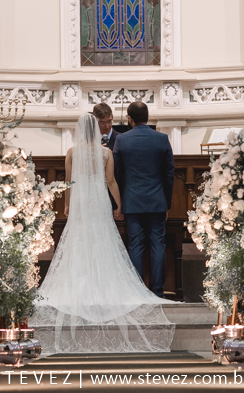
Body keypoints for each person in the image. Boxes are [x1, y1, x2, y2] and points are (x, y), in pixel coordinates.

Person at [30, 114, 174, 354]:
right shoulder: (106, 153)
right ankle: (106, 284)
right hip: (98, 200)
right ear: (97, 130)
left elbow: (69, 181)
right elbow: (111, 182)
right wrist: (118, 205)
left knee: (78, 240)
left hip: (79, 201)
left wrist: (66, 205)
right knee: (103, 240)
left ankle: (80, 283)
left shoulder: (72, 152)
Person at [112, 101, 174, 298]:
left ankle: (137, 292)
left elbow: (117, 174)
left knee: (135, 245)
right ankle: (158, 291)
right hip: (156, 200)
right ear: (147, 116)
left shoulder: (122, 140)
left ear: (129, 119)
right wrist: (168, 202)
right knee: (158, 244)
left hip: (132, 200)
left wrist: (119, 201)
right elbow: (169, 174)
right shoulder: (162, 139)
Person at [93, 102, 124, 217]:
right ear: (95, 122)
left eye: (109, 121)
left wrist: (118, 204)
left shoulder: (121, 139)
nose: (106, 126)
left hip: (116, 196)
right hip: (95, 198)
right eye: (102, 122)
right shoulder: (89, 142)